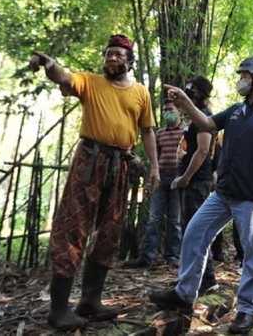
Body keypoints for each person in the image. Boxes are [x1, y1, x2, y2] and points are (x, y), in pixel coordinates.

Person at [148, 57, 253, 334]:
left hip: (252, 197)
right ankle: (184, 294)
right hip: (222, 193)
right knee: (194, 232)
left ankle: (247, 310)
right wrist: (184, 103)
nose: (240, 79)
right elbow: (206, 123)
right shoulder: (236, 110)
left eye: (244, 75)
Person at [29, 34, 157, 330]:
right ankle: (59, 309)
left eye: (118, 55)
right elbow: (63, 76)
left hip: (121, 165)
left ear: (129, 60)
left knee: (110, 232)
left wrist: (154, 168)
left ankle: (90, 301)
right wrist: (49, 63)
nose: (112, 58)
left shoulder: (141, 93)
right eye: (108, 54)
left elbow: (148, 131)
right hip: (90, 162)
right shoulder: (89, 81)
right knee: (73, 228)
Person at [172, 76, 219, 292]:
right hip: (192, 181)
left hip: (197, 181)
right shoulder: (194, 117)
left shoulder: (205, 118)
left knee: (196, 230)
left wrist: (186, 177)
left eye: (191, 91)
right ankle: (193, 277)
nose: (187, 95)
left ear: (200, 94)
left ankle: (207, 279)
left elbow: (202, 151)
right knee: (191, 229)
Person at [125, 101, 184, 268]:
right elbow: (155, 157)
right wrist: (152, 177)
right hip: (161, 178)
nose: (167, 113)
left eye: (170, 109)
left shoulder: (184, 132)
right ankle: (147, 257)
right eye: (164, 110)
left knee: (174, 220)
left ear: (179, 111)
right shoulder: (160, 133)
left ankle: (172, 257)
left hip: (177, 180)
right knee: (153, 218)